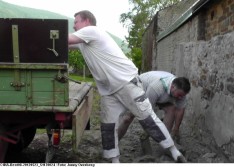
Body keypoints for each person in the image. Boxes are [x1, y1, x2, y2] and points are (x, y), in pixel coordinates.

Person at [68, 10, 186, 163]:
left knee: (148, 119)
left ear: (86, 21)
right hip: (109, 91)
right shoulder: (84, 42)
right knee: (108, 127)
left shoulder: (92, 31)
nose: (74, 25)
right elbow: (65, 45)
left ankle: (174, 152)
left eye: (76, 21)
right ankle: (114, 160)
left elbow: (65, 39)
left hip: (126, 82)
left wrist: (42, 32)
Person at [118, 71, 191, 144]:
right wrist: (148, 129)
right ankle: (114, 144)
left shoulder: (181, 92)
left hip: (160, 95)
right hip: (138, 89)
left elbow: (180, 110)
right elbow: (146, 110)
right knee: (128, 118)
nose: (180, 97)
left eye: (182, 96)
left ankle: (166, 143)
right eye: (179, 95)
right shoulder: (156, 87)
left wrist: (176, 129)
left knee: (171, 109)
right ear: (172, 87)